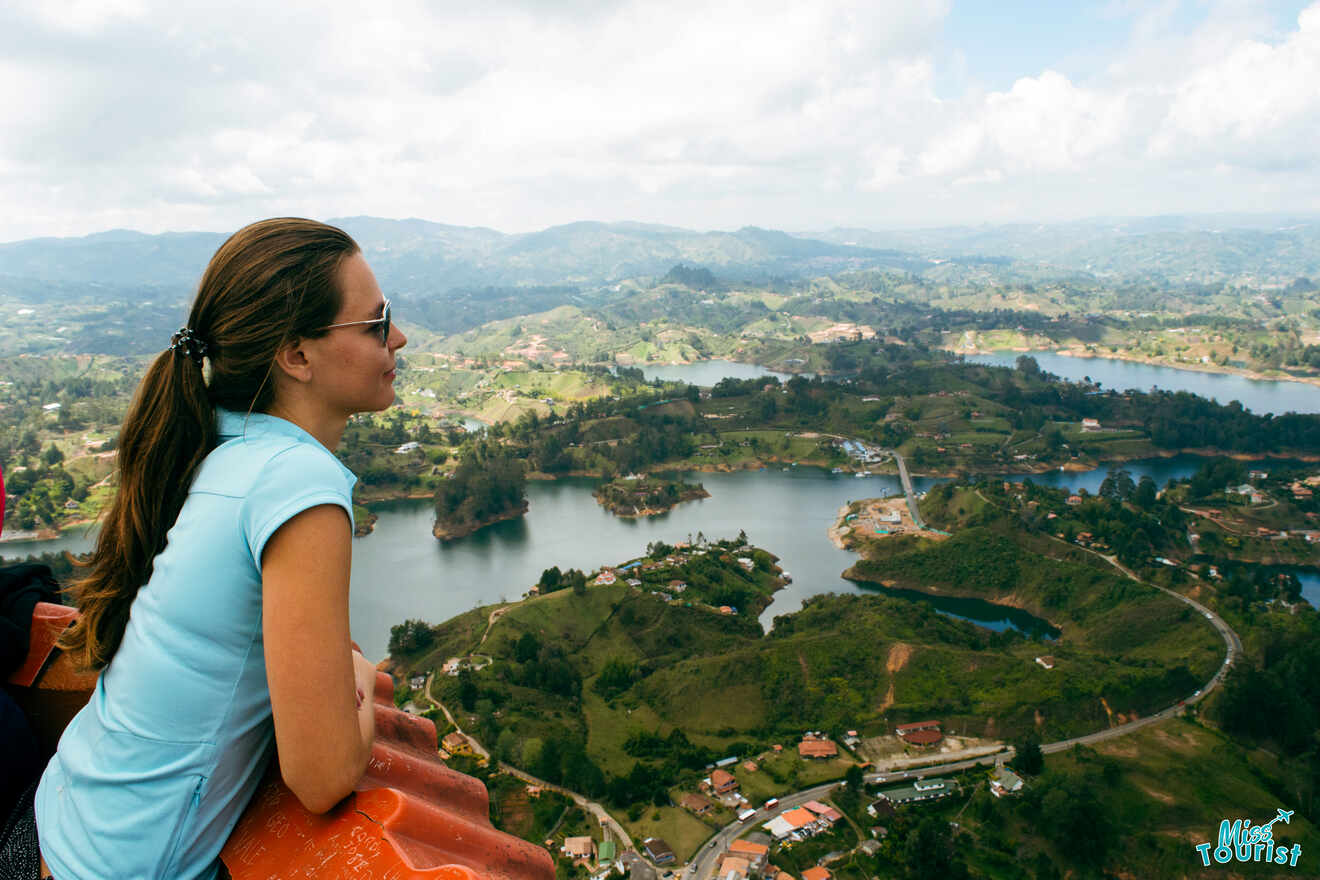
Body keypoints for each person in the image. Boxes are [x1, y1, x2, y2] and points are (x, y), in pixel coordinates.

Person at [31, 218, 406, 880]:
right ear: (297, 355)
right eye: (376, 324)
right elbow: (322, 777)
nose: (397, 338)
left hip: (60, 821)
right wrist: (360, 678)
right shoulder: (302, 486)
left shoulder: (224, 443)